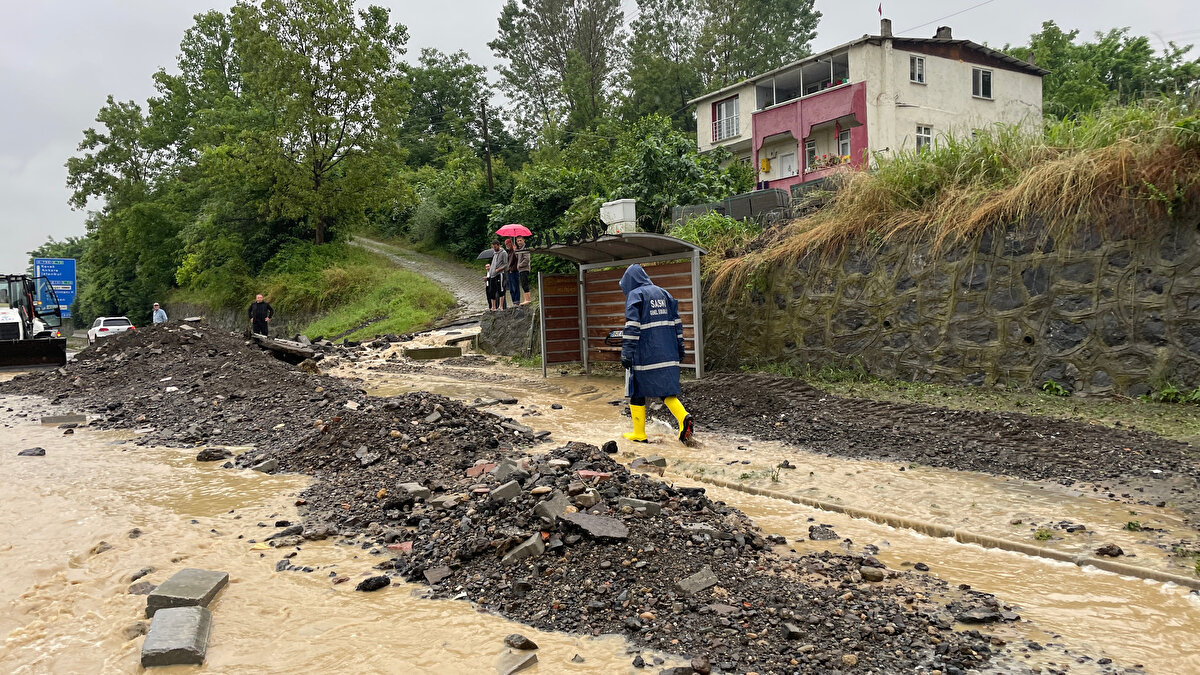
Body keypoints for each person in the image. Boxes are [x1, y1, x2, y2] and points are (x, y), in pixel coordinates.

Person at [619, 264, 694, 443]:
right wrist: (680, 348)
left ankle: (639, 433)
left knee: (636, 390)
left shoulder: (636, 295)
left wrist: (626, 353)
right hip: (668, 352)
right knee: (665, 390)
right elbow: (677, 324)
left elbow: (632, 326)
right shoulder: (665, 293)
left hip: (646, 354)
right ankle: (684, 418)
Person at [486, 240, 508, 311]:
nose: (494, 248)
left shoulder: (504, 253)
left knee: (500, 290)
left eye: (495, 247)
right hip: (492, 275)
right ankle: (493, 307)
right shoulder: (494, 253)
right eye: (493, 247)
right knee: (492, 291)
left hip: (500, 274)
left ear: (498, 245)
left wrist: (498, 269)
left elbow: (506, 264)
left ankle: (501, 306)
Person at [514, 235, 532, 305]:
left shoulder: (525, 248)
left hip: (524, 268)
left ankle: (528, 299)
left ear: (523, 240)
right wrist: (515, 251)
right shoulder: (520, 249)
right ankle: (526, 299)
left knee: (525, 283)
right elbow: (517, 258)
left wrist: (519, 265)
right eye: (518, 241)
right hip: (521, 269)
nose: (519, 242)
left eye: (520, 240)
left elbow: (526, 259)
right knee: (523, 284)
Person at [505, 238, 521, 307]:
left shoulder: (514, 251)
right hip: (509, 271)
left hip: (514, 271)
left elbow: (516, 260)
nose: (506, 245)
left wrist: (512, 269)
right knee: (511, 288)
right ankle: (513, 301)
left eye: (507, 244)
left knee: (515, 286)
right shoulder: (509, 252)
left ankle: (517, 301)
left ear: (510, 243)